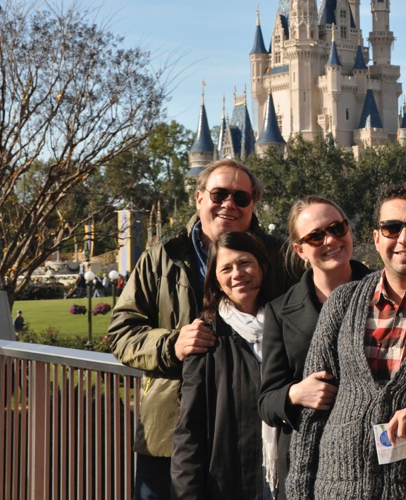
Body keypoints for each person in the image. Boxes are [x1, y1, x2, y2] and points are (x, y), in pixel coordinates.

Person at [109, 160, 296, 500]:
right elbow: (122, 332)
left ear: (253, 203)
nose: (229, 204)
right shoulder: (162, 258)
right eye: (219, 194)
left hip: (251, 433)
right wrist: (172, 344)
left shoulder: (281, 257)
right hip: (169, 433)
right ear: (199, 198)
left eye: (241, 197)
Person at [286, 183, 406, 500]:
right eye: (391, 228)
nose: (404, 239)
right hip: (338, 489)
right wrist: (299, 493)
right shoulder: (343, 301)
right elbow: (313, 412)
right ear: (376, 238)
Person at [258, 196, 372, 500]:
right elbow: (267, 401)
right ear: (300, 250)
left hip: (372, 460)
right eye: (316, 236)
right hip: (308, 464)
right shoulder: (280, 312)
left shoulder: (386, 293)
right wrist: (295, 394)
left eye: (337, 228)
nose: (331, 240)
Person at [171, 231, 277, 500]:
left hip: (284, 480)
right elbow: (189, 431)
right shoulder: (205, 338)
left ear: (262, 267)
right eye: (226, 268)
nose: (237, 274)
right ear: (216, 280)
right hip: (229, 484)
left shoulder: (287, 327)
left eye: (245, 263)